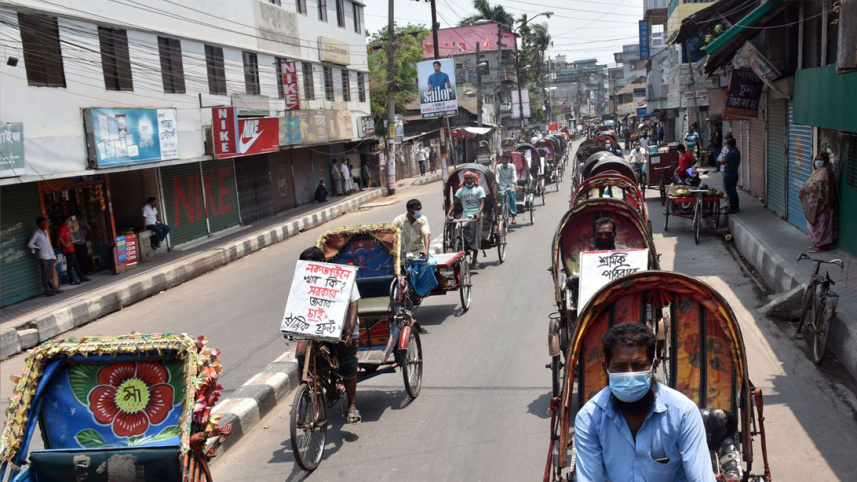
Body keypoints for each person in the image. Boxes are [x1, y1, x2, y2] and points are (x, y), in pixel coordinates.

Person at [574, 323, 715, 482]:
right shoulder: (589, 418)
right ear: (606, 368)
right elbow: (589, 478)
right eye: (620, 366)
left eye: (639, 365)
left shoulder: (683, 412)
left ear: (653, 366)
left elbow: (701, 478)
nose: (630, 375)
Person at [297, 246, 362, 424]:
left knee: (348, 365)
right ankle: (306, 400)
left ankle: (352, 405)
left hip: (342, 330)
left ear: (322, 262)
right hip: (318, 330)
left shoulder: (341, 276)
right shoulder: (305, 280)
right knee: (302, 356)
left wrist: (349, 331)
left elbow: (354, 303)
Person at [800, 152, 838, 252]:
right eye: (817, 159)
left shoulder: (824, 172)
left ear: (825, 161)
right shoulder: (821, 171)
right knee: (820, 226)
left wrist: (804, 189)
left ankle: (822, 246)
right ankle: (818, 244)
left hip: (823, 205)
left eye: (820, 159)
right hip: (824, 204)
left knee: (821, 226)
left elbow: (814, 186)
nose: (818, 162)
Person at [447, 171, 485, 269]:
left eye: (470, 178)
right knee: (458, 228)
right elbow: (454, 203)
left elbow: (482, 202)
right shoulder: (461, 191)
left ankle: (475, 260)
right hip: (465, 215)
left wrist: (478, 213)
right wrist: (449, 214)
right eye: (466, 179)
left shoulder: (479, 189)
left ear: (474, 179)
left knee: (476, 237)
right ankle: (459, 246)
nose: (468, 180)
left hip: (476, 216)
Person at [28, 216, 62, 296]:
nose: (44, 225)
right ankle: (47, 290)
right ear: (39, 225)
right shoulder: (37, 233)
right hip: (43, 257)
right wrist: (36, 248)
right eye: (42, 224)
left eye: (45, 223)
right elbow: (30, 244)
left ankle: (53, 288)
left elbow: (49, 245)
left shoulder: (46, 232)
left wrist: (53, 256)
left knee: (50, 274)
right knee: (45, 274)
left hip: (49, 256)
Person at [58, 215, 90, 285]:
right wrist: (65, 245)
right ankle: (71, 280)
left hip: (71, 249)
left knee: (75, 264)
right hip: (67, 250)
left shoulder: (67, 228)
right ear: (65, 220)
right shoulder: (62, 228)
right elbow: (60, 238)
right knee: (70, 265)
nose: (69, 221)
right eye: (68, 220)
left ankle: (81, 277)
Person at [496, 154, 518, 224]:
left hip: (510, 185)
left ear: (508, 160)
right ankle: (503, 211)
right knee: (502, 195)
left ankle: (513, 216)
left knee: (512, 197)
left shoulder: (512, 166)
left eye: (506, 159)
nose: (504, 161)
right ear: (502, 160)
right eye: (503, 159)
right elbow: (497, 176)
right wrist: (497, 184)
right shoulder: (498, 167)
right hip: (502, 186)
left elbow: (514, 176)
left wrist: (515, 184)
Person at [722, 138, 741, 213]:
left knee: (730, 192)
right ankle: (736, 207)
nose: (726, 146)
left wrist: (725, 162)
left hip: (729, 175)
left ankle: (733, 208)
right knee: (733, 191)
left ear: (729, 145)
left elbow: (722, 161)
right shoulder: (737, 152)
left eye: (726, 144)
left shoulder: (731, 153)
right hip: (734, 174)